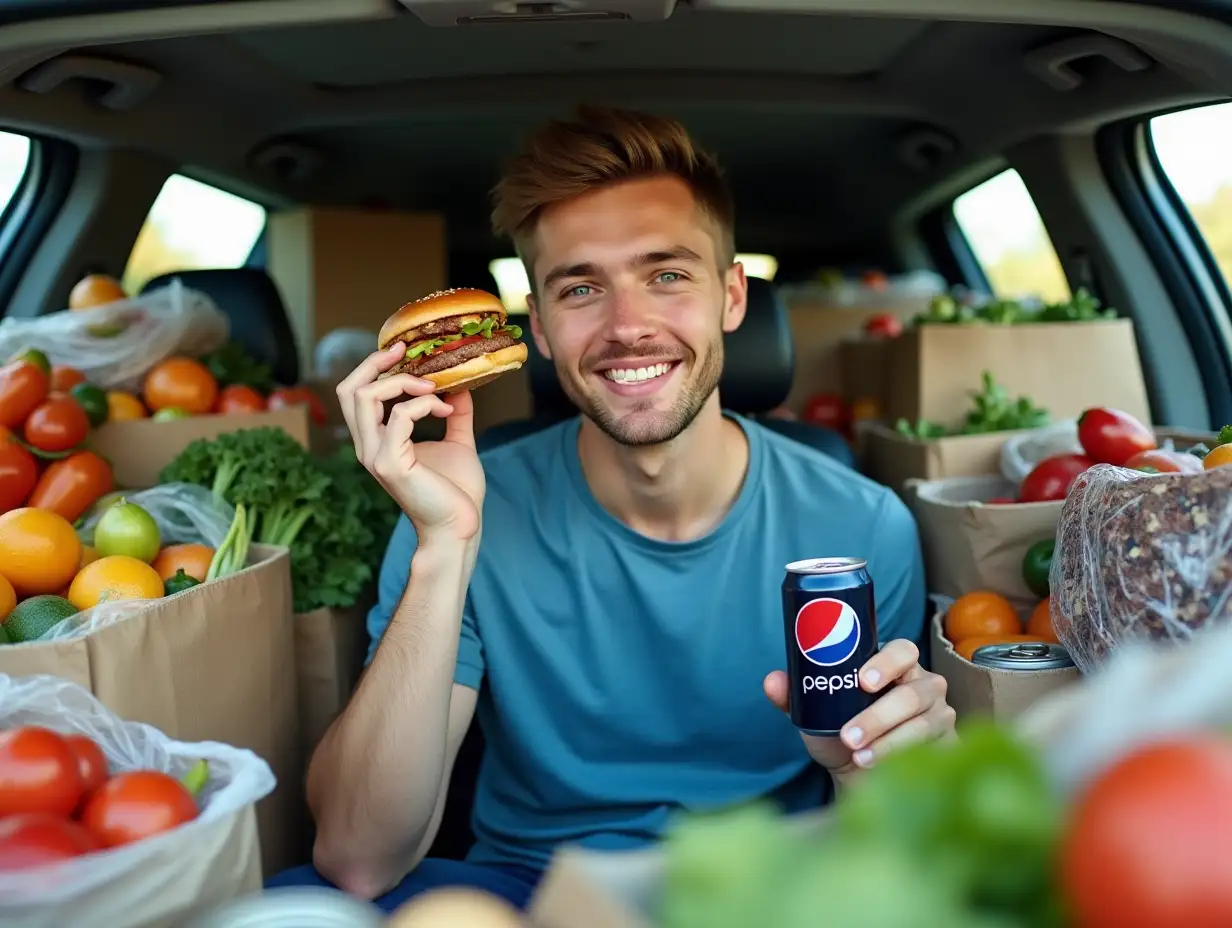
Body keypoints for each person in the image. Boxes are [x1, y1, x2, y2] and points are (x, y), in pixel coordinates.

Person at [267, 105, 953, 912]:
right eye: (582, 287)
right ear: (542, 329)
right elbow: (357, 859)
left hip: (765, 887)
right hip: (528, 889)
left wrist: (870, 768)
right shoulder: (460, 508)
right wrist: (444, 546)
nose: (629, 327)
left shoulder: (862, 528)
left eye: (667, 274)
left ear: (732, 295)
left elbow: (884, 848)